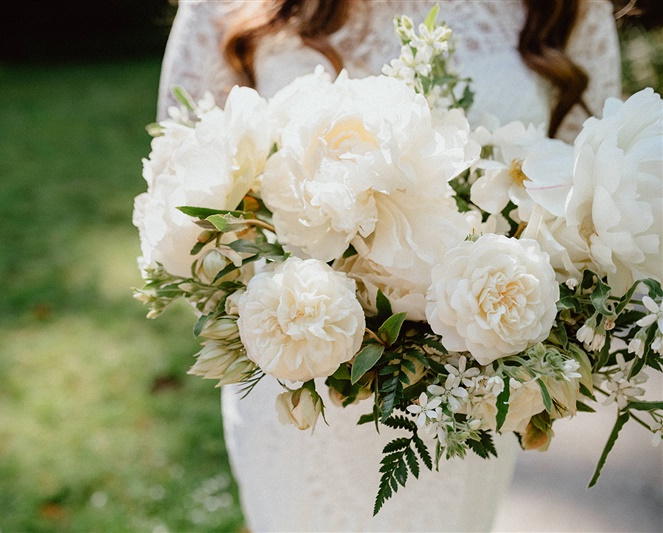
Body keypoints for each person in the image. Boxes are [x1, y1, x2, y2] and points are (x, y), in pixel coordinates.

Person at [156, 1, 621, 530]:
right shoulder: (221, 8)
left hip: (468, 388)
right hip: (295, 366)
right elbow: (183, 181)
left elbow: (595, 193)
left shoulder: (564, 7)